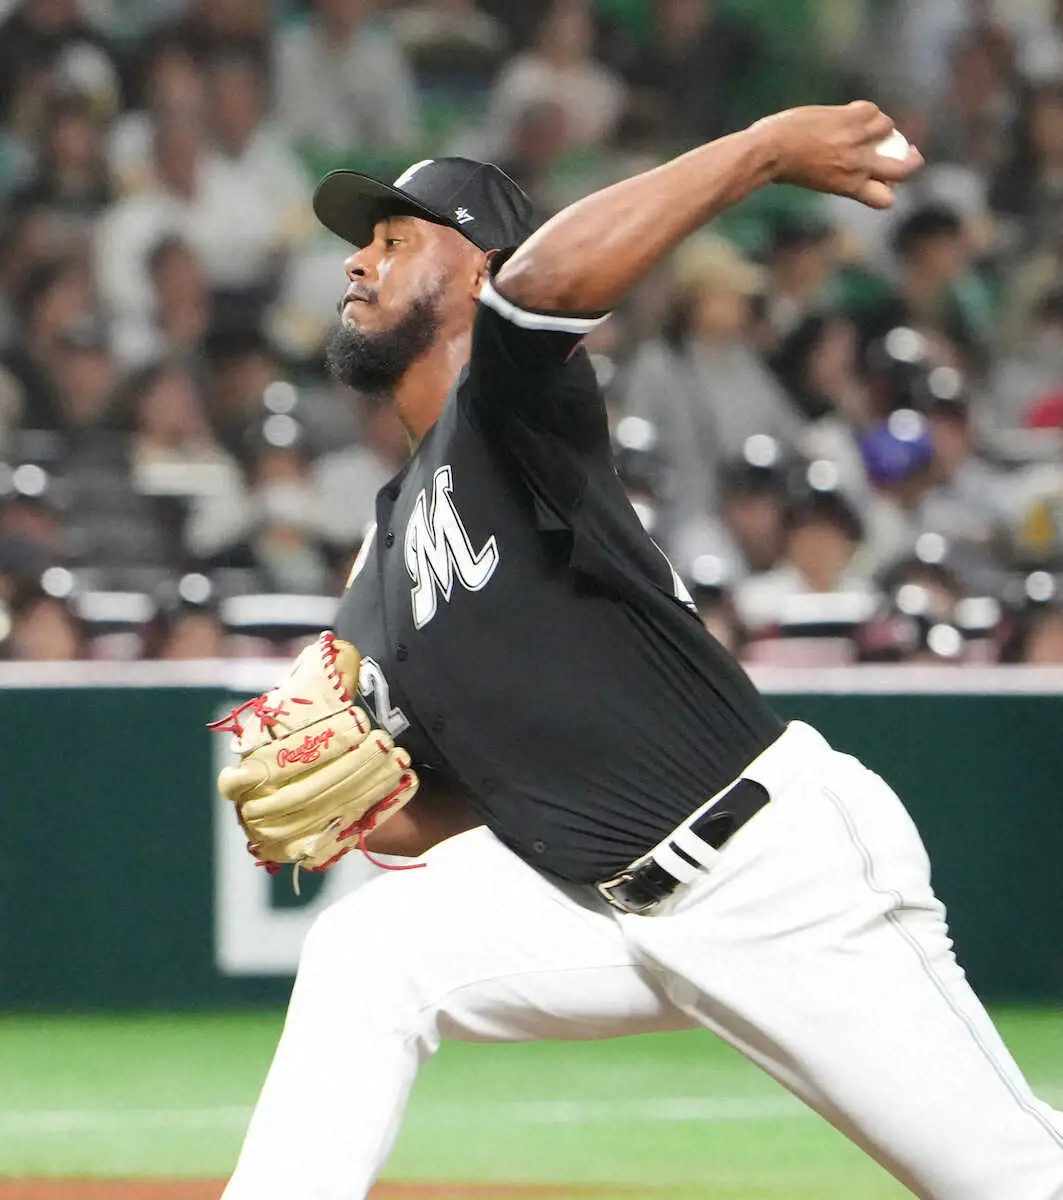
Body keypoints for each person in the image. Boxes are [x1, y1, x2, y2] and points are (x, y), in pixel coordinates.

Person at [221, 104, 1063, 1199]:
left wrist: (760, 150)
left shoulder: (510, 409)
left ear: (482, 271)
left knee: (1014, 1180)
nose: (356, 261)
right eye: (361, 244)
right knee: (366, 956)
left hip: (771, 873)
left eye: (394, 239)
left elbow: (547, 285)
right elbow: (439, 799)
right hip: (603, 908)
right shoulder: (386, 546)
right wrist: (351, 801)